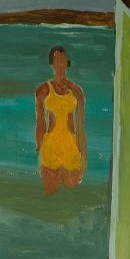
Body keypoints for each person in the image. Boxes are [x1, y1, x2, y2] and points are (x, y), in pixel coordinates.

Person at [33, 46, 86, 192]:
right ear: (52, 64)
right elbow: (41, 124)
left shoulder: (77, 92)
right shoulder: (42, 91)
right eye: (57, 60)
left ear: (67, 63)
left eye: (63, 60)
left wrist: (84, 157)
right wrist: (39, 152)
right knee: (51, 193)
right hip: (51, 147)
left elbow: (80, 126)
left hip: (71, 147)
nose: (61, 64)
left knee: (72, 192)